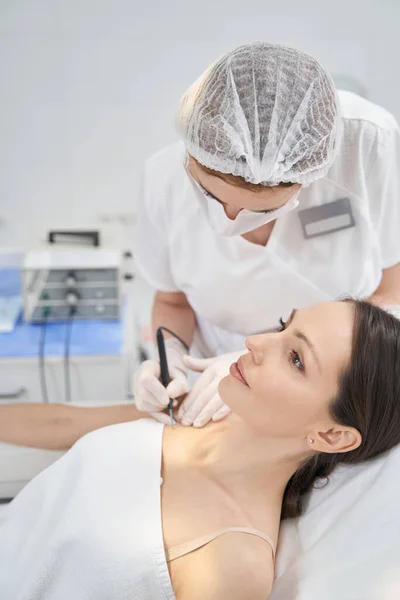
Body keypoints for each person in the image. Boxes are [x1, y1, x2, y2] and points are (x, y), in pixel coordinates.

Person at [1, 300, 400, 600]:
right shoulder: (206, 410)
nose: (255, 343)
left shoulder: (234, 564)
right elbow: (64, 425)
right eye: (283, 326)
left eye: (295, 359)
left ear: (331, 436)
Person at [133, 41, 400, 430]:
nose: (229, 219)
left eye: (261, 209)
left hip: (331, 387)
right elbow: (172, 302)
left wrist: (284, 363)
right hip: (209, 378)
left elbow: (392, 290)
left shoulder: (368, 147)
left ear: (307, 179)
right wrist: (168, 354)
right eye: (209, 194)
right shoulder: (163, 181)